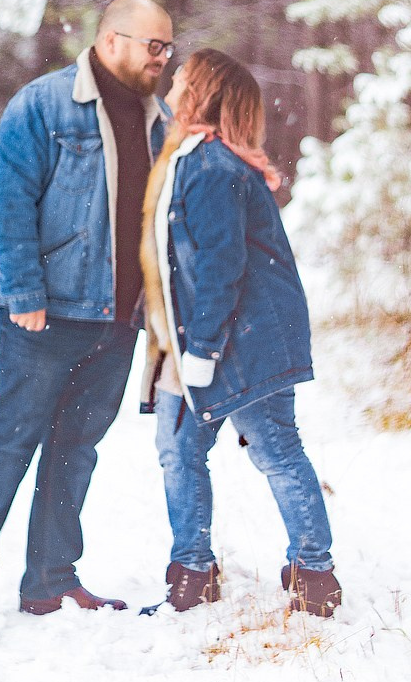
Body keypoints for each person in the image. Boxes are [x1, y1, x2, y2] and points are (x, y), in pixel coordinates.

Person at [0, 0, 173, 626]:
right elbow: (6, 201)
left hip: (116, 323)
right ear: (112, 40)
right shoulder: (44, 104)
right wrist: (25, 293)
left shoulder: (159, 119)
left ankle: (49, 582)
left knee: (76, 450)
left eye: (168, 48)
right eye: (154, 46)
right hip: (44, 317)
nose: (163, 59)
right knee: (6, 440)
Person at [139, 48, 341, 616]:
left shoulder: (212, 169)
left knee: (270, 449)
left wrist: (202, 348)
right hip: (205, 335)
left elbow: (220, 263)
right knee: (183, 449)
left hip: (237, 338)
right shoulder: (192, 157)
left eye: (181, 76)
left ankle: (312, 574)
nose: (172, 80)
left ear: (200, 91)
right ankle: (195, 573)